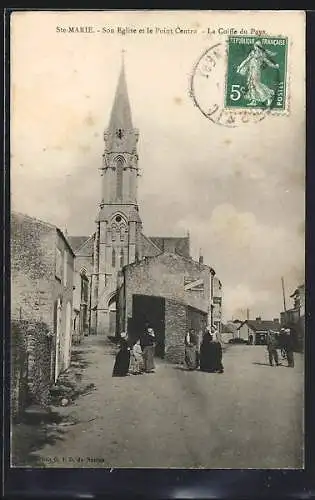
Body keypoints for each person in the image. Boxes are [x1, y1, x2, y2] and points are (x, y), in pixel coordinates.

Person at [236, 40, 279, 107]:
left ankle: (268, 97)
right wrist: (240, 67)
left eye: (256, 46)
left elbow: (268, 62)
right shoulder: (252, 53)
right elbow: (246, 60)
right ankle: (254, 101)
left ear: (259, 47)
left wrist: (275, 66)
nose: (255, 48)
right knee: (252, 85)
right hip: (251, 71)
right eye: (255, 46)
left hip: (256, 72)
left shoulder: (261, 55)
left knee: (256, 85)